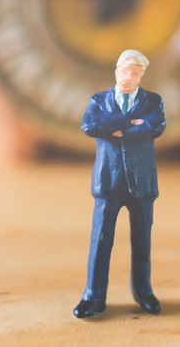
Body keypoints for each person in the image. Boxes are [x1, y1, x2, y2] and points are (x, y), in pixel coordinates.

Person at [73, 49, 167, 319]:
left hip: (141, 182)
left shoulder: (153, 101)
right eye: (125, 71)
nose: (129, 76)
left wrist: (115, 128)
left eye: (135, 73)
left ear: (142, 76)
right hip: (108, 183)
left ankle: (143, 291)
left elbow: (155, 127)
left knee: (142, 241)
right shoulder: (99, 100)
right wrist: (131, 122)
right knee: (101, 240)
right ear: (116, 71)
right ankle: (94, 296)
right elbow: (90, 126)